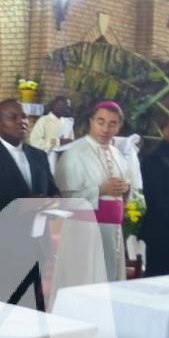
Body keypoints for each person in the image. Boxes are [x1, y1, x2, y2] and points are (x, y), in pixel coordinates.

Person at [55, 101, 133, 281]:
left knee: (110, 278)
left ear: (119, 126)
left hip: (113, 231)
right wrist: (99, 190)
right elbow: (65, 199)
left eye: (112, 123)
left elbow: (127, 188)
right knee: (85, 281)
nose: (106, 128)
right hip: (84, 230)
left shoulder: (117, 154)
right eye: (101, 121)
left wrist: (126, 189)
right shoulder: (74, 153)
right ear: (91, 121)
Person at [0, 99, 59, 241]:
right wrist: (20, 206)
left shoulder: (39, 155)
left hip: (36, 243)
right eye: (13, 117)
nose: (21, 121)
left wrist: (55, 201)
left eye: (24, 116)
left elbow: (52, 190)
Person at [140, 116, 169, 276]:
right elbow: (155, 197)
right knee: (160, 278)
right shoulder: (153, 158)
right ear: (165, 130)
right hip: (162, 231)